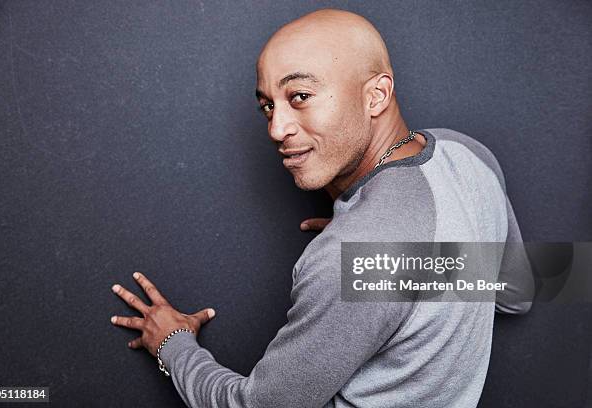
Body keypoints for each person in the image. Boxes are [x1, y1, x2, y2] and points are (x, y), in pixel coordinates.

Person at [110, 8, 534, 407]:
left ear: (376, 95)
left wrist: (173, 344)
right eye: (268, 106)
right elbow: (518, 294)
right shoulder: (467, 154)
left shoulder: (354, 256)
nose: (276, 128)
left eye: (300, 96)